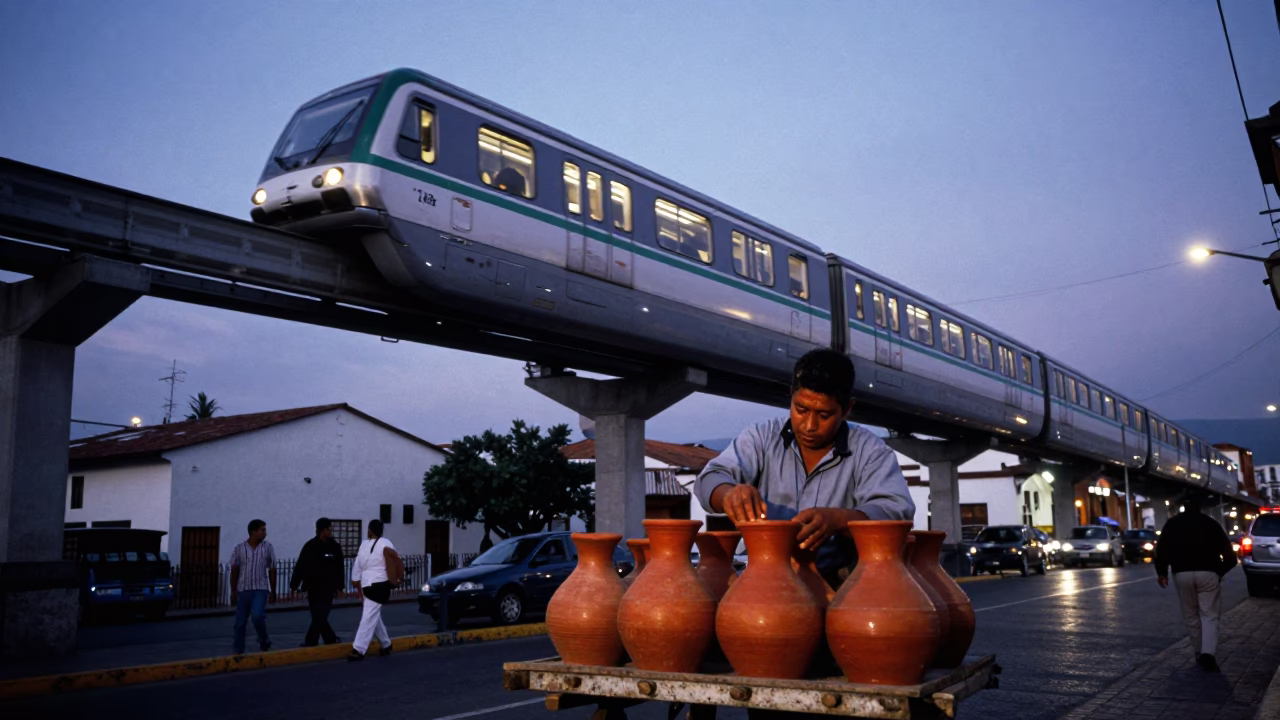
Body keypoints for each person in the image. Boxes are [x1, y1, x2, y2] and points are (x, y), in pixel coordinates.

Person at [695, 348, 915, 588]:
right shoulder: (761, 437)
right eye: (801, 409)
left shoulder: (870, 451)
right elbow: (709, 478)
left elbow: (896, 509)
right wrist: (728, 494)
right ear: (791, 396)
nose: (810, 425)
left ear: (847, 409)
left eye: (824, 414)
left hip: (841, 585)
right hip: (763, 579)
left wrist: (840, 519)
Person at [1154, 494, 1238, 673]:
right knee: (1209, 614)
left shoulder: (1172, 524)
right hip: (1208, 573)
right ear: (1201, 508)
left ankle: (1198, 651)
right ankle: (1208, 654)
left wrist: (1162, 572)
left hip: (1181, 573)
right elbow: (1231, 557)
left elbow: (1162, 550)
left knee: (1190, 614)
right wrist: (1218, 572)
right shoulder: (1211, 524)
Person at [347, 519, 402, 661]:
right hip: (380, 584)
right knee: (373, 615)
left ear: (369, 531)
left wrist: (355, 580)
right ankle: (386, 644)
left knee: (368, 616)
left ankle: (358, 649)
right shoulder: (386, 543)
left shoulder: (363, 545)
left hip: (368, 584)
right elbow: (395, 559)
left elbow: (358, 564)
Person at [289, 517, 345, 647]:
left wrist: (340, 587)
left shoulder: (334, 547)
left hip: (328, 588)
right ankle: (330, 638)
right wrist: (294, 585)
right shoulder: (310, 546)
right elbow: (300, 566)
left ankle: (311, 641)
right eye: (329, 529)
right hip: (313, 587)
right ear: (322, 530)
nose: (331, 531)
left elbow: (339, 568)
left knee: (321, 614)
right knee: (317, 615)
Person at [229, 518, 276, 654]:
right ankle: (238, 649)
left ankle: (264, 639)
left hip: (260, 588)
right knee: (240, 622)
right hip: (243, 589)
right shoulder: (239, 549)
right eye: (262, 530)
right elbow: (234, 571)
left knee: (257, 615)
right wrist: (233, 591)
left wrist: (273, 591)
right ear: (253, 532)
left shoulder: (267, 548)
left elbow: (272, 568)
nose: (265, 533)